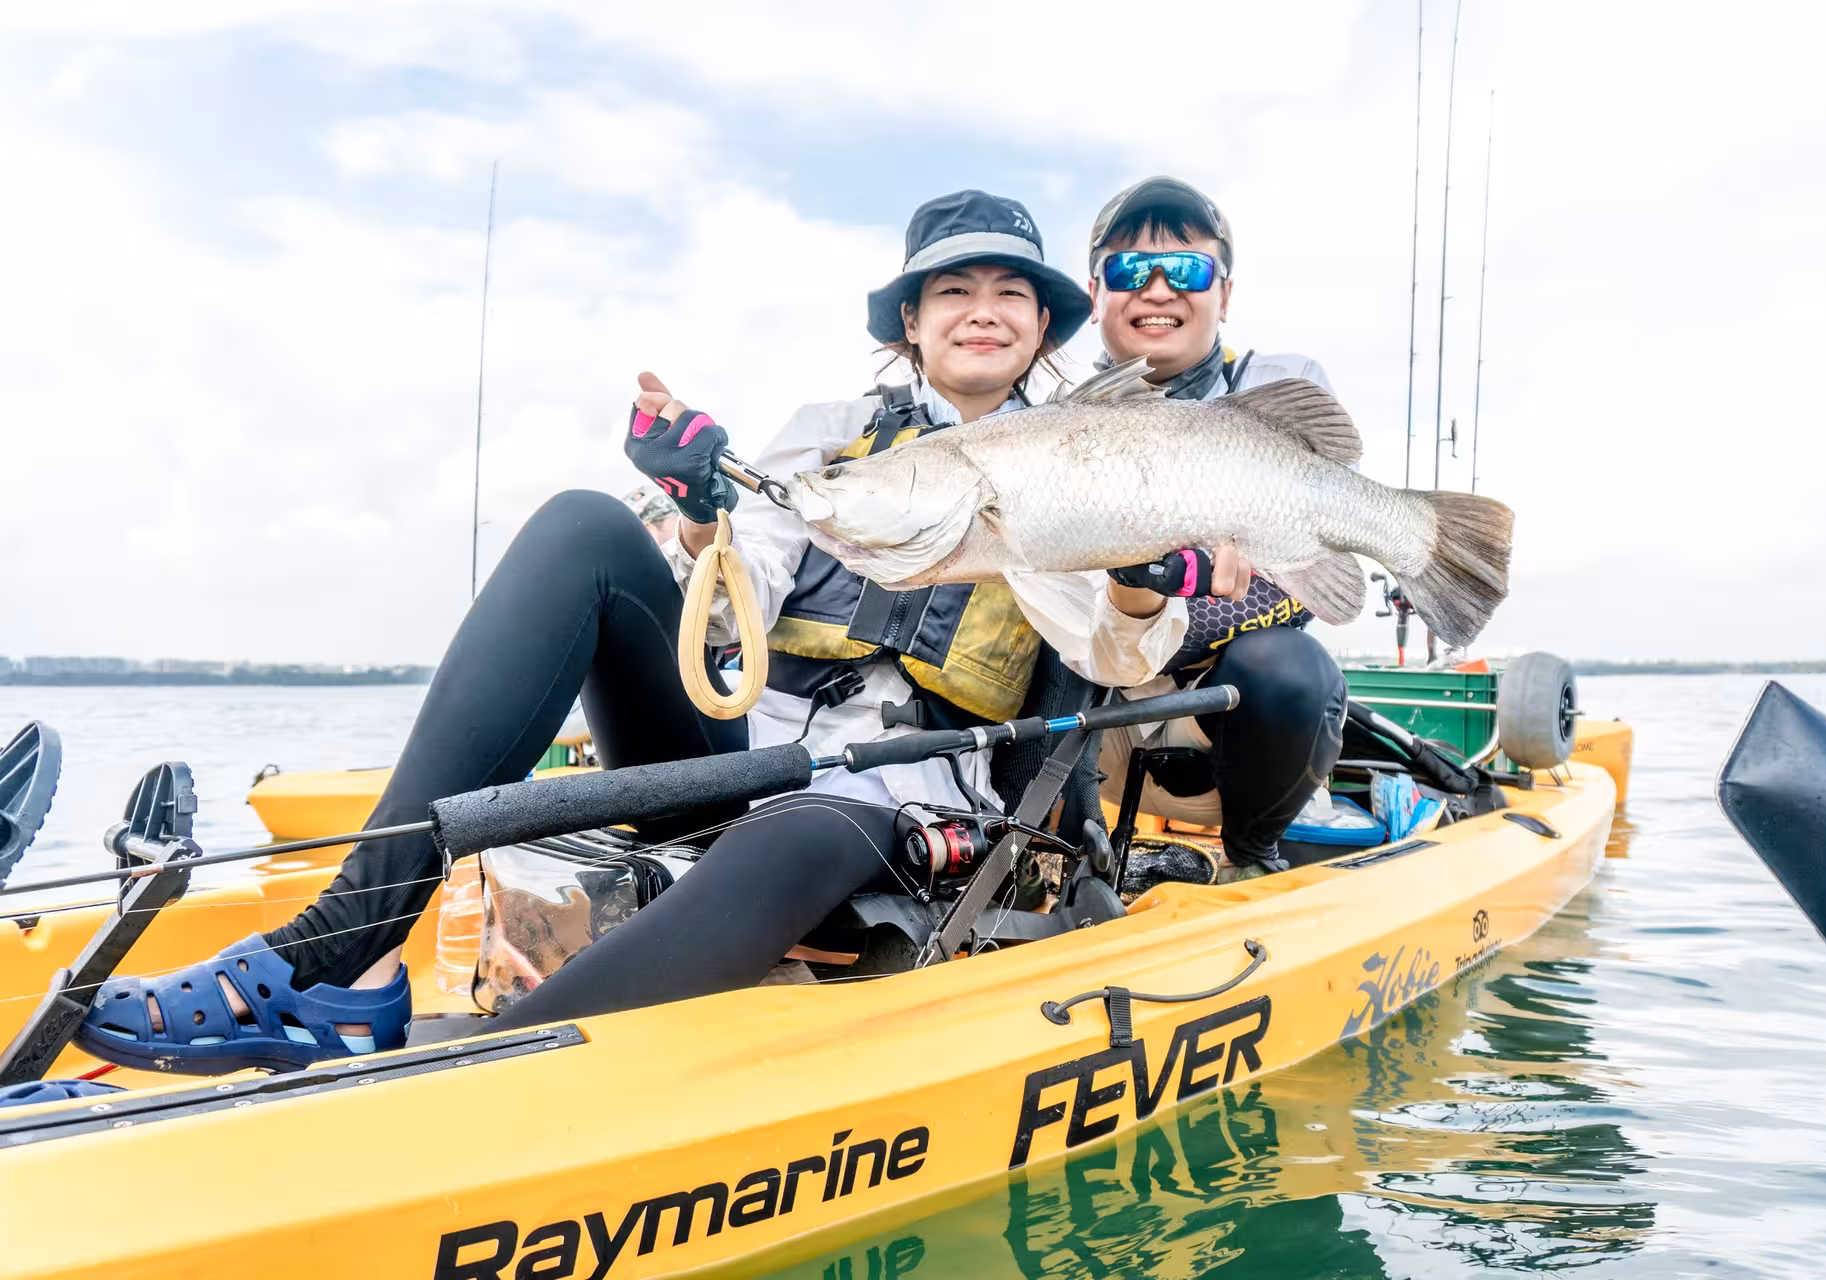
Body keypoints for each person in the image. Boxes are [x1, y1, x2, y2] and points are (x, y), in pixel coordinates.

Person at [76, 190, 1182, 1074]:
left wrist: (1140, 581)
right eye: (953, 288)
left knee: (800, 831)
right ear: (911, 320)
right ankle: (345, 948)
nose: (980, 307)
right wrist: (701, 502)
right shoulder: (826, 438)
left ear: (1042, 325)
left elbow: (1118, 658)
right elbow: (734, 586)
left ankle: (470, 1078)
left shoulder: (1081, 460)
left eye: (1008, 291)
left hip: (907, 804)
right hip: (745, 752)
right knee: (584, 527)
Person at [1086, 177, 1351, 881]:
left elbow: (1310, 572)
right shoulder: (1052, 412)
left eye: (1190, 269)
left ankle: (1251, 853)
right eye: (1130, 269)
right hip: (1087, 735)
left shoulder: (1280, 385)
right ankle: (1052, 854)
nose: (1159, 289)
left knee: (1289, 668)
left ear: (1224, 296)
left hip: (1220, 741)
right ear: (1096, 296)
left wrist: (1172, 591)